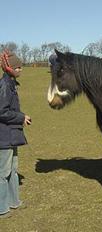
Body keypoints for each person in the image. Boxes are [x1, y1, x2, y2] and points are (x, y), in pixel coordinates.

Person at [0, 51, 31, 218]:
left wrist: (21, 117)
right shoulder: (4, 85)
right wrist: (21, 117)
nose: (20, 69)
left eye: (21, 66)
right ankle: (2, 208)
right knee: (2, 173)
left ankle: (14, 202)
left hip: (12, 135)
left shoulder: (11, 83)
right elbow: (1, 111)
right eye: (17, 67)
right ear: (8, 68)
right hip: (4, 137)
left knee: (13, 170)